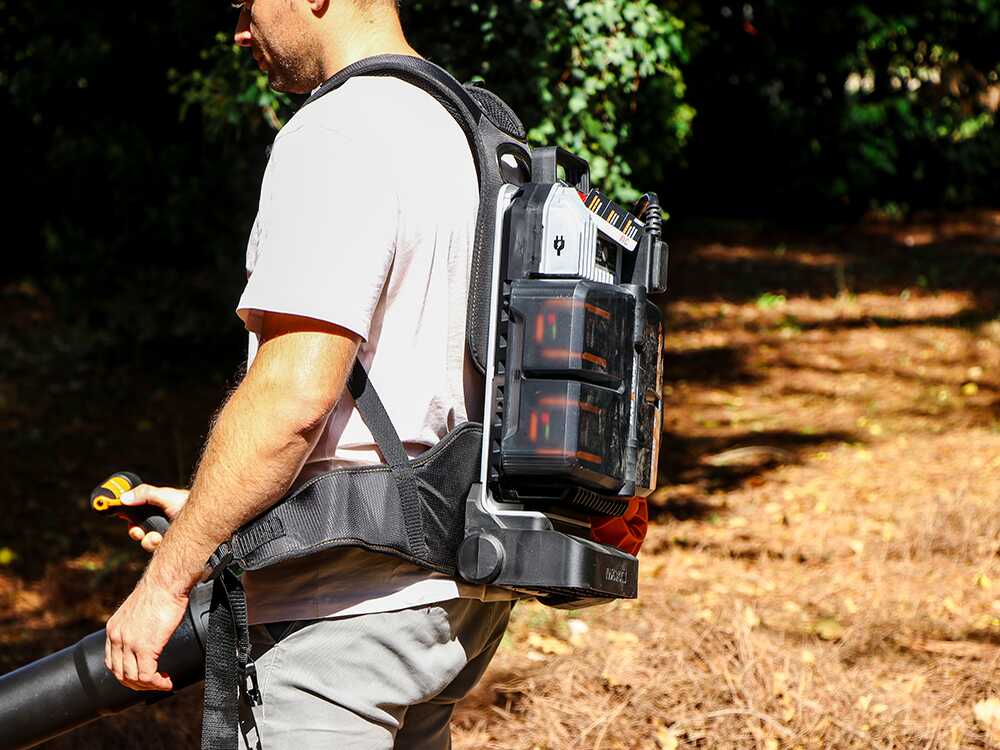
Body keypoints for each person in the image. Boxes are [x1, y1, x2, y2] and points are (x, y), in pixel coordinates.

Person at [103, 0, 515, 747]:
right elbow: (417, 394)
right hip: (453, 592)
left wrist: (164, 583)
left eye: (245, 5)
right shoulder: (466, 129)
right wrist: (209, 513)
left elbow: (293, 399)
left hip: (341, 613)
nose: (239, 30)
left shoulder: (338, 130)